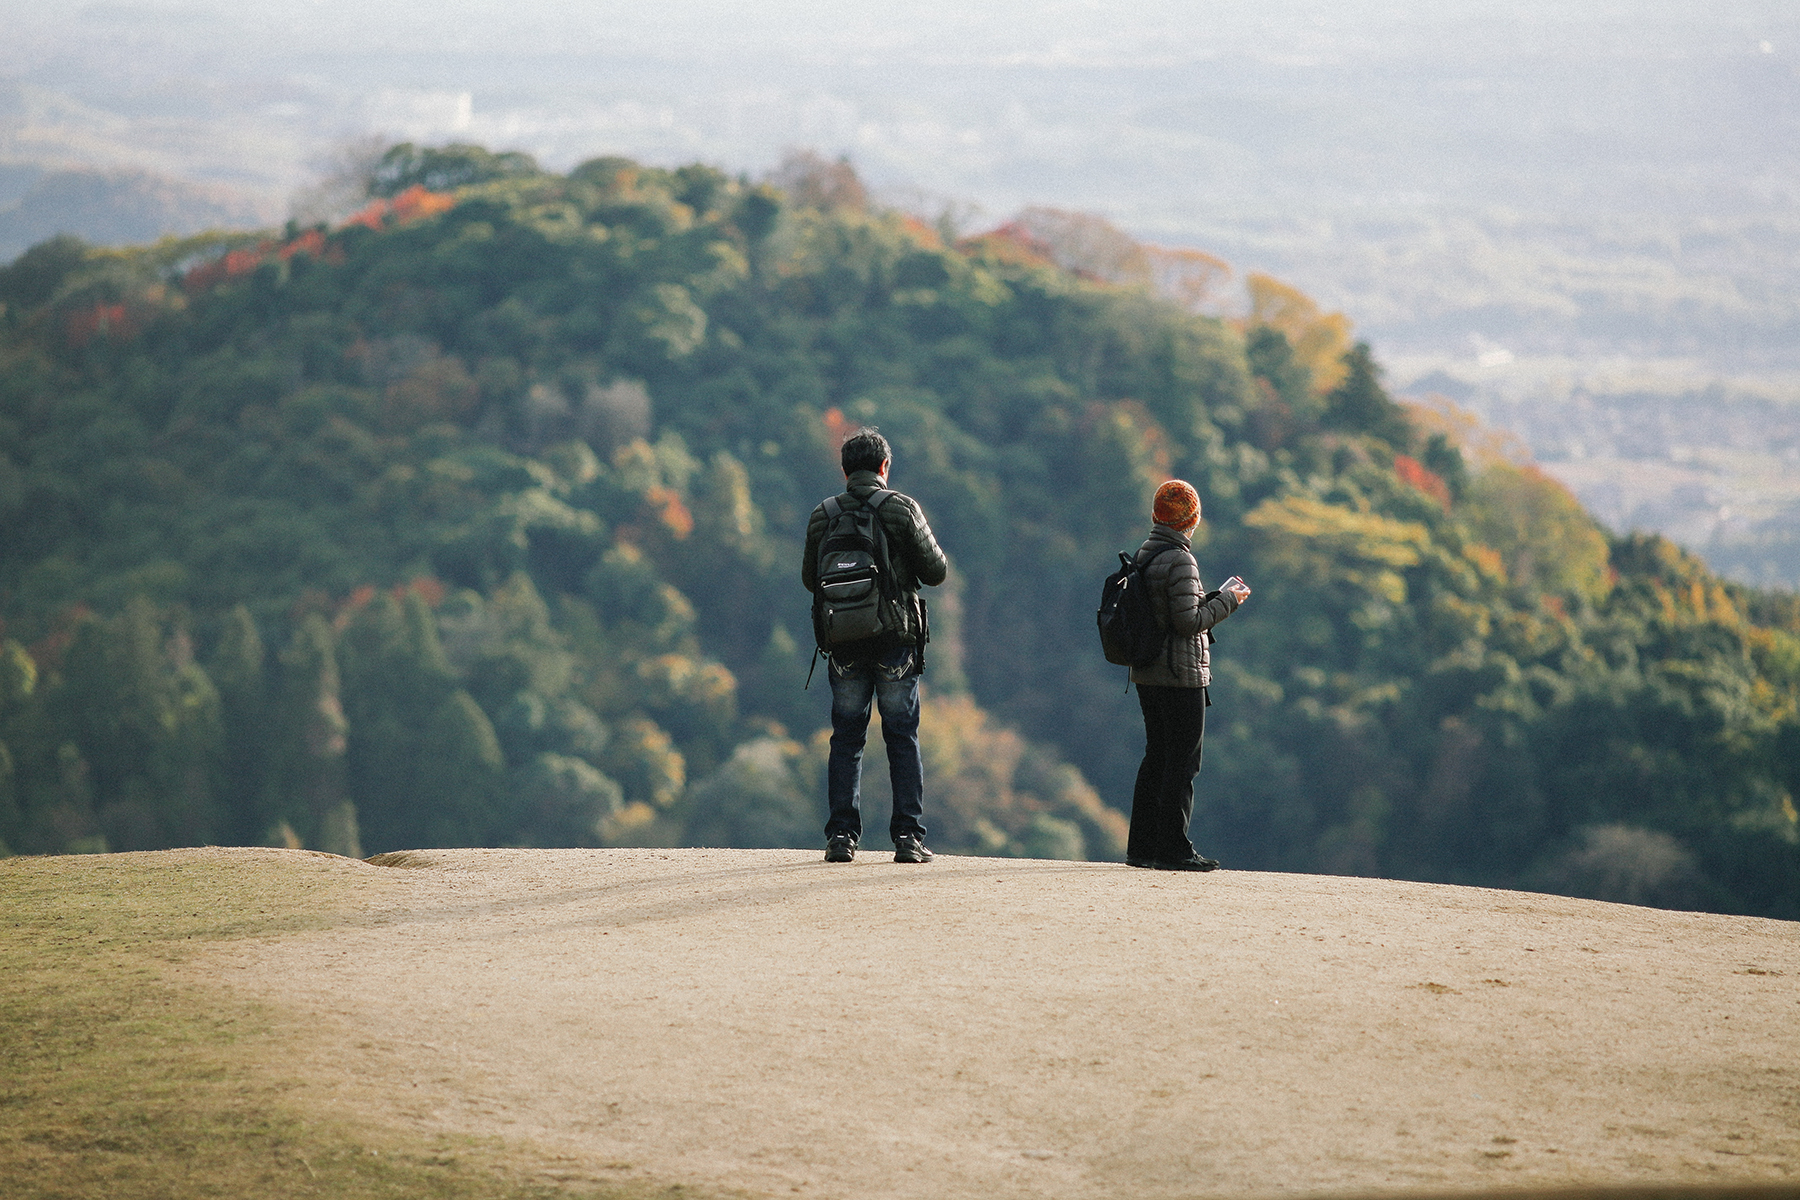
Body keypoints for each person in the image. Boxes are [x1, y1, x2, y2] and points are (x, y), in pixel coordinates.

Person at [802, 428, 949, 864]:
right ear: (884, 467)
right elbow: (936, 571)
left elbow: (811, 579)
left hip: (843, 640)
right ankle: (908, 838)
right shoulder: (901, 509)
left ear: (845, 470)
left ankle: (841, 838)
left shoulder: (822, 514)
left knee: (846, 738)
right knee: (902, 734)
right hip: (894, 640)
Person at [1127, 479, 1250, 871]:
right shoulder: (1181, 559)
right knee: (1183, 762)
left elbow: (1174, 610)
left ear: (1155, 516)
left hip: (1148, 672)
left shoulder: (1147, 551)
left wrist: (1207, 598)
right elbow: (1187, 622)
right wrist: (1229, 600)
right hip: (1179, 675)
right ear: (1191, 520)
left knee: (1157, 757)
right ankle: (1174, 849)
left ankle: (1143, 847)